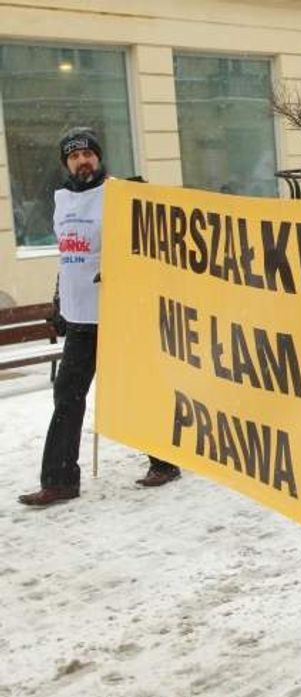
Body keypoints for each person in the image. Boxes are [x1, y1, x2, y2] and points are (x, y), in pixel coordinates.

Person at [18, 128, 182, 507]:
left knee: (136, 388)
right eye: (74, 157)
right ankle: (59, 480)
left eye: (87, 154)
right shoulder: (60, 200)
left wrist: (124, 272)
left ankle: (165, 461)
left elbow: (145, 244)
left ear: (98, 157)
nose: (82, 161)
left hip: (117, 312)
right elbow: (68, 257)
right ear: (66, 163)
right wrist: (60, 299)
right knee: (67, 396)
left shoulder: (119, 194)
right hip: (79, 317)